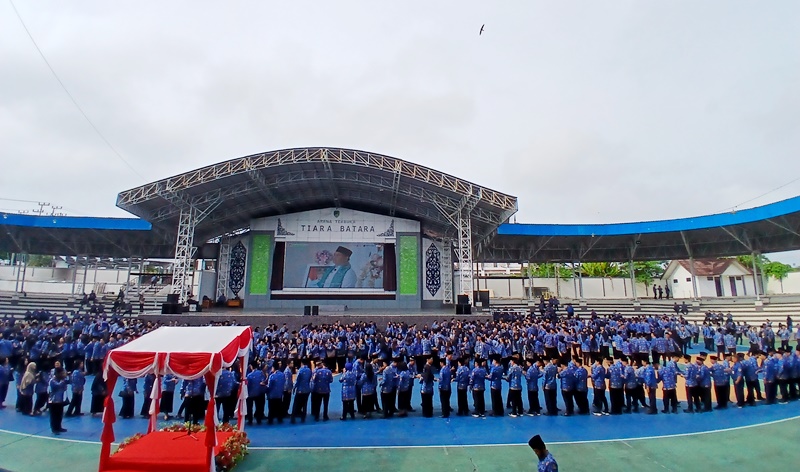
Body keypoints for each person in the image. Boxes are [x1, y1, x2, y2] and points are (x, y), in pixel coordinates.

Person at [48, 367, 69, 434]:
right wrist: (63, 381)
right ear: (58, 373)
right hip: (53, 401)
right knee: (54, 416)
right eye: (62, 373)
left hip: (60, 400)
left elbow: (69, 382)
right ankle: (54, 429)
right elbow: (58, 386)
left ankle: (59, 427)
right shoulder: (52, 380)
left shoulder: (62, 380)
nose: (63, 374)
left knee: (59, 415)